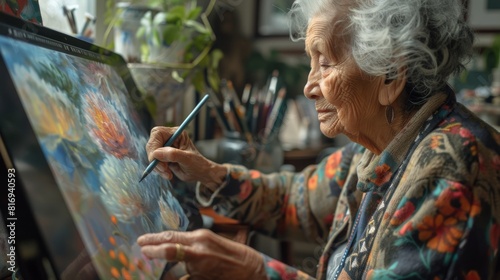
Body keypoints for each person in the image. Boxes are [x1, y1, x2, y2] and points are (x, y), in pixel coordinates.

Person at [137, 0, 500, 279]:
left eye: (324, 63)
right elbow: (295, 199)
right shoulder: (383, 148)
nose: (309, 86)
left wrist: (253, 269)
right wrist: (206, 171)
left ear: (390, 74)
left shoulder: (452, 166)